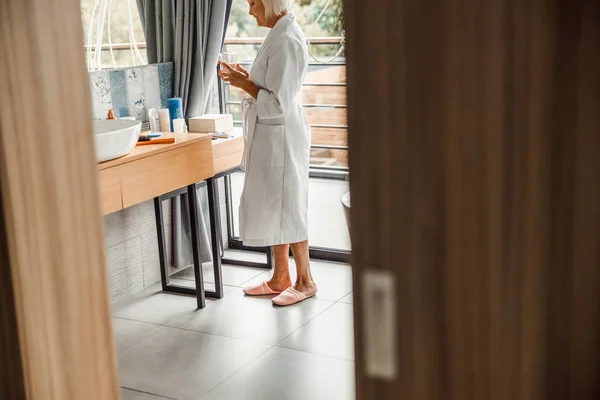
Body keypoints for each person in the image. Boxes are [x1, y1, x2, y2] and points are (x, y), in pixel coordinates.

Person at [218, 0, 316, 306]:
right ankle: (280, 277)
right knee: (276, 203)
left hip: (282, 134)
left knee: (289, 204)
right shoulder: (278, 32)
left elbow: (277, 104)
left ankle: (305, 280)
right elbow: (273, 86)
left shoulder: (286, 39)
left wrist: (243, 83)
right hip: (274, 135)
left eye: (253, 3)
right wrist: (249, 80)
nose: (250, 11)